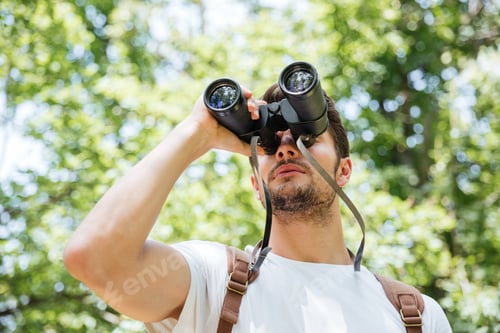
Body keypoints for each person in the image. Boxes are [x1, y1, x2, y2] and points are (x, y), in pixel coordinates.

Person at [63, 72, 453, 332]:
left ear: (344, 170)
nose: (285, 149)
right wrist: (196, 133)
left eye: (306, 138)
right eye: (269, 143)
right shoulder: (215, 281)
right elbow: (93, 259)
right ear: (255, 182)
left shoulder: (415, 315)